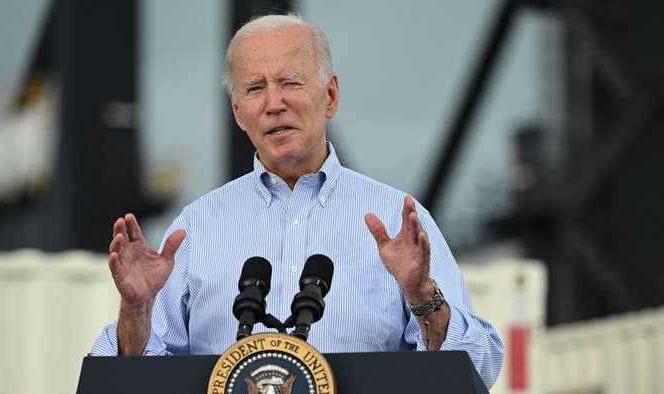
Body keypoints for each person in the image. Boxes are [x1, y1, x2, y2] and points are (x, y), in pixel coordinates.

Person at [91, 14, 504, 388]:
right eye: (255, 88)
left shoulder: (399, 220)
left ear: (331, 95)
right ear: (238, 112)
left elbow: (480, 367)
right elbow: (123, 375)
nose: (274, 104)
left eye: (290, 82)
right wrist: (138, 310)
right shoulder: (196, 227)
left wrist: (422, 295)